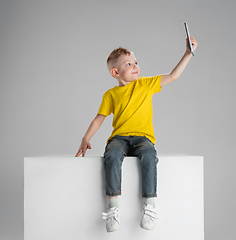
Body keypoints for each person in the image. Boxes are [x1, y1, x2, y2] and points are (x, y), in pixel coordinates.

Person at [75, 36, 198, 232]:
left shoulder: (146, 84)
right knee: (112, 155)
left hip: (143, 138)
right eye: (129, 64)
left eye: (136, 63)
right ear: (115, 72)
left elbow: (173, 76)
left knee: (150, 156)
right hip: (119, 138)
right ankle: (113, 209)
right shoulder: (110, 94)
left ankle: (149, 207)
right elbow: (99, 118)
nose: (135, 66)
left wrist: (187, 54)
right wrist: (85, 137)